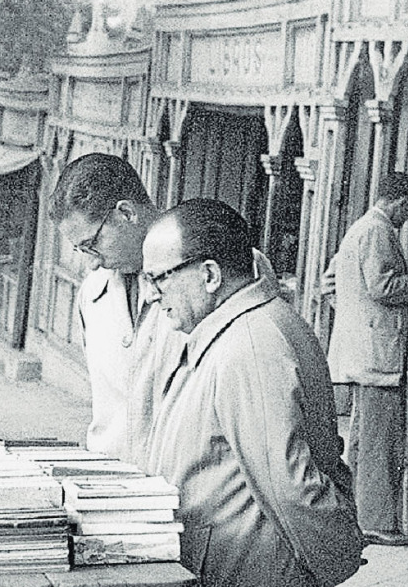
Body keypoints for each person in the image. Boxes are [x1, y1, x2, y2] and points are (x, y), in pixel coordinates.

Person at [140, 199, 362, 587]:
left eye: (160, 277)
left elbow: (292, 487)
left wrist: (339, 551)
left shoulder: (248, 344)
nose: (152, 293)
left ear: (209, 275)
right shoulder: (236, 331)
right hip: (231, 586)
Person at [47, 152, 275, 463]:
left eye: (92, 244)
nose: (91, 261)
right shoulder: (92, 292)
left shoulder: (221, 266)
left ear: (126, 213)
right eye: (79, 249)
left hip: (191, 493)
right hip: (112, 488)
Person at [325, 172, 408, 547]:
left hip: (362, 350)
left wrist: (354, 316)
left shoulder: (359, 229)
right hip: (378, 356)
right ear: (398, 201)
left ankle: (358, 516)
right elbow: (383, 287)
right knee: (381, 443)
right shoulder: (379, 231)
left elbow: (329, 281)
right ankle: (378, 523)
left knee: (364, 441)